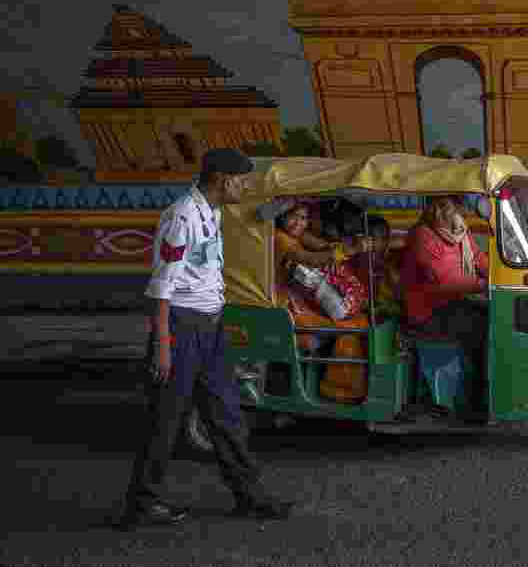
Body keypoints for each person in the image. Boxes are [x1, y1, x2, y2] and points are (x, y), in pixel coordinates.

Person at [120, 147, 295, 529]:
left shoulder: (212, 210)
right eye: (242, 180)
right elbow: (161, 288)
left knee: (228, 415)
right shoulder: (182, 217)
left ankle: (251, 497)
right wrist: (163, 346)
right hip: (181, 330)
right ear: (223, 179)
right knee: (165, 420)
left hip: (210, 329)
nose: (245, 187)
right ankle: (142, 504)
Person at [401, 195, 489, 417]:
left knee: (494, 317)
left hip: (454, 301)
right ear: (434, 208)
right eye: (445, 205)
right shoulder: (422, 235)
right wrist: (483, 284)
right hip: (428, 310)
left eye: (455, 205)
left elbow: (478, 258)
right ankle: (474, 399)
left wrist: (501, 276)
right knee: (485, 328)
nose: (455, 211)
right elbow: (444, 280)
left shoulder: (459, 230)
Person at [274, 201, 369, 321]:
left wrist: (345, 247)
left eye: (303, 218)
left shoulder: (298, 234)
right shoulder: (279, 237)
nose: (298, 222)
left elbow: (323, 246)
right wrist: (347, 251)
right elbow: (308, 259)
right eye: (293, 216)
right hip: (278, 297)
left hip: (293, 293)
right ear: (282, 216)